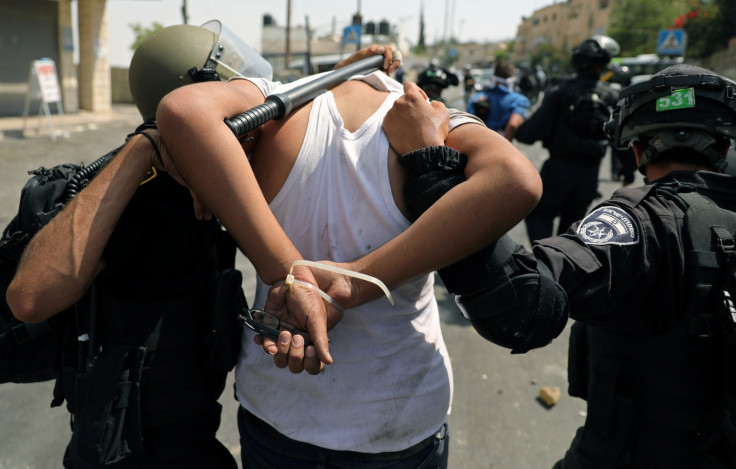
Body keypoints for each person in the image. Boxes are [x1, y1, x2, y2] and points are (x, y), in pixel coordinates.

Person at [5, 21, 407, 469]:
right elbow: (29, 298)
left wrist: (343, 73)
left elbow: (277, 116)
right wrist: (143, 148)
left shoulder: (222, 178)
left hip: (193, 442)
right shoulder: (134, 192)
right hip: (122, 451)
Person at [151, 32, 541, 468]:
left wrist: (286, 274)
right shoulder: (433, 125)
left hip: (279, 410)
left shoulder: (272, 111)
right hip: (400, 416)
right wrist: (352, 282)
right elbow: (517, 180)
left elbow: (183, 109)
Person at [394, 64, 736, 469]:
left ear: (639, 150)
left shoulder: (644, 222)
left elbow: (521, 307)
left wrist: (429, 165)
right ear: (725, 148)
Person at [517, 36, 620, 243]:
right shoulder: (611, 96)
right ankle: (561, 267)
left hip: (558, 169)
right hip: (590, 175)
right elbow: (620, 137)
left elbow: (532, 133)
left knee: (539, 214)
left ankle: (544, 263)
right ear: (603, 66)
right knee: (573, 225)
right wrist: (624, 170)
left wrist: (518, 128)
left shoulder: (559, 92)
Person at [467, 59, 530, 141]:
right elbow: (512, 126)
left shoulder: (476, 97)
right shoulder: (520, 100)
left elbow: (468, 123)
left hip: (476, 143)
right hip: (502, 145)